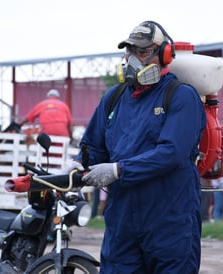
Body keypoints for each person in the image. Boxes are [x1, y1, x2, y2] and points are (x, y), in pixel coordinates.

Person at [67, 20, 206, 273]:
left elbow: (171, 153)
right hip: (122, 221)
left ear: (163, 55)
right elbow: (93, 147)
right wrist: (78, 164)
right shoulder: (114, 98)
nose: (134, 59)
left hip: (169, 221)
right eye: (130, 51)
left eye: (142, 52)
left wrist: (118, 170)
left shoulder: (181, 96)